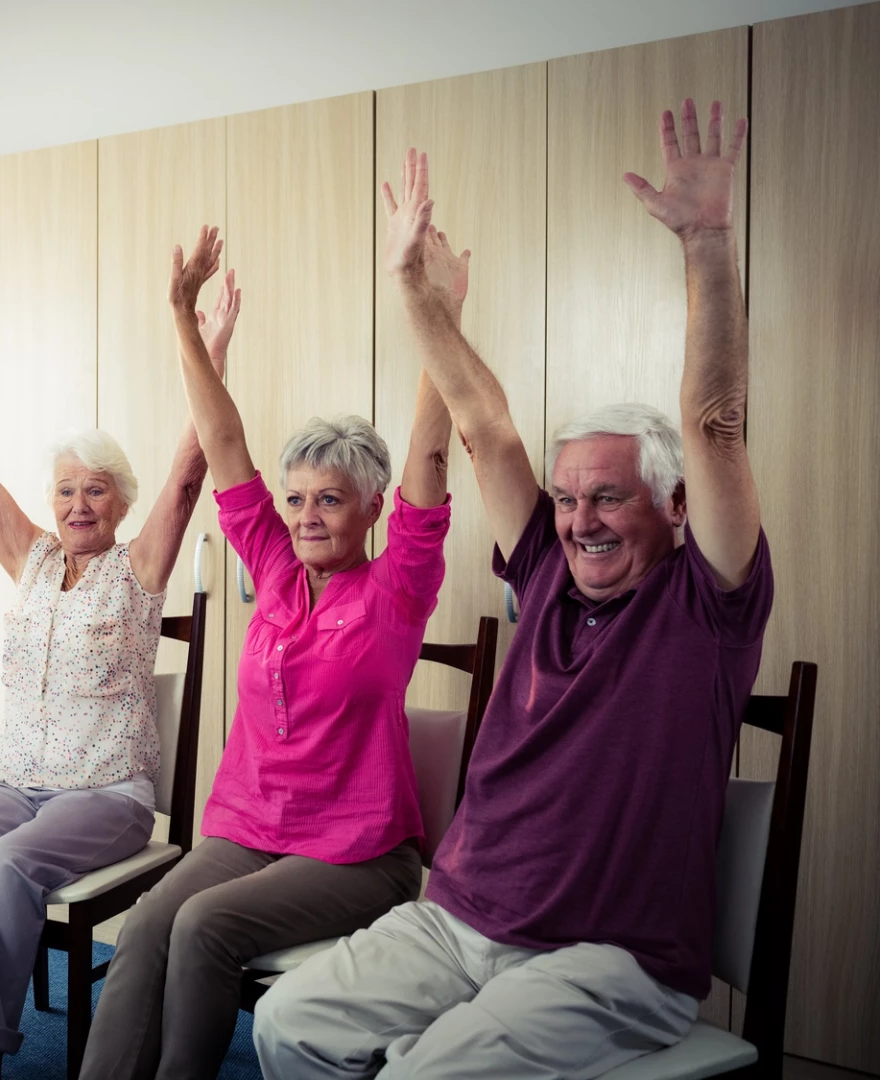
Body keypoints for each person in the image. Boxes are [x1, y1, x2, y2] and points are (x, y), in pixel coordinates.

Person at [254, 102, 772, 1080]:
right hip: (460, 919)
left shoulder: (708, 608)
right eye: (569, 498)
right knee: (288, 1024)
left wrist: (707, 243)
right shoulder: (543, 572)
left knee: (419, 1074)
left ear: (672, 506)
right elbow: (484, 426)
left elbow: (714, 425)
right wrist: (417, 293)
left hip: (611, 959)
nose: (579, 520)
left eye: (608, 498)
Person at [80, 222, 458, 1080]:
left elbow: (433, 462)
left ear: (371, 509)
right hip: (250, 828)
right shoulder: (277, 572)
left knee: (205, 926)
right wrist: (183, 315)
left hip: (361, 854)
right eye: (296, 498)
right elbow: (222, 442)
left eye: (331, 498)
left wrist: (436, 316)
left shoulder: (396, 588)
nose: (307, 513)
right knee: (145, 922)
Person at [0, 267, 216, 1080]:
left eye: (98, 492)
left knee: (5, 869)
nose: (80, 505)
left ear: (120, 503)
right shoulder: (33, 557)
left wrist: (207, 352)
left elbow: (189, 475)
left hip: (104, 793)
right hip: (14, 780)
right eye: (68, 490)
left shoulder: (137, 570)